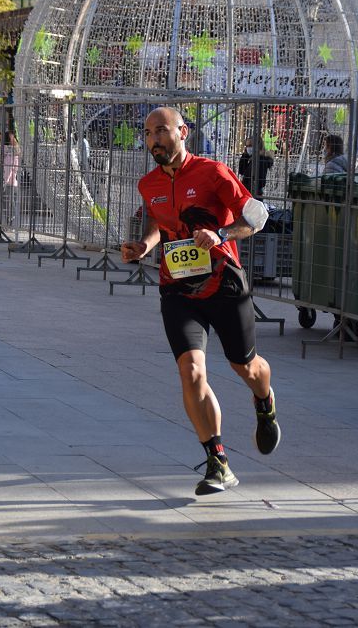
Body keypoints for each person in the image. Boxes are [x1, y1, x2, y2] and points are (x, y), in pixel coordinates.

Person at [120, 107, 279, 496]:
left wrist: (221, 234)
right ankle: (218, 461)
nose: (153, 139)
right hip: (176, 289)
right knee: (191, 371)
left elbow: (256, 217)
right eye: (147, 133)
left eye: (161, 131)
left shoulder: (213, 172)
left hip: (224, 284)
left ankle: (265, 399)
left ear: (182, 132)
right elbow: (158, 221)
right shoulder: (148, 184)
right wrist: (144, 245)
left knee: (245, 367)